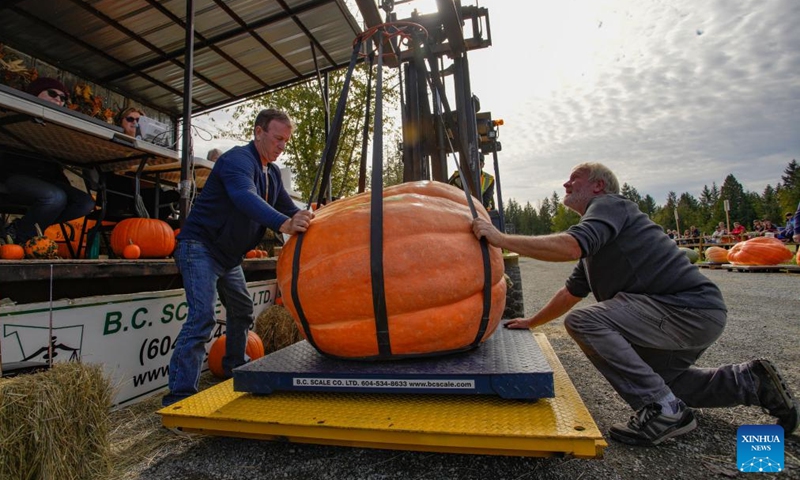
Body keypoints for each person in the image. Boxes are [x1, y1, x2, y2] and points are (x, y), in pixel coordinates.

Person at [472, 162, 798, 446]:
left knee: (586, 322)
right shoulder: (603, 239)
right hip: (695, 314)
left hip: (683, 310)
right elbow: (570, 292)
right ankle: (748, 381)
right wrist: (532, 322)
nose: (566, 184)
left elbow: (571, 246)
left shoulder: (609, 204)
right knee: (672, 384)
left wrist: (498, 238)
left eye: (575, 178)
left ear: (598, 186)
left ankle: (662, 412)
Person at [162, 109, 314, 407]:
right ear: (258, 132)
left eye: (286, 141)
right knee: (201, 318)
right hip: (200, 246)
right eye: (278, 138)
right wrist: (283, 224)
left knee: (242, 309)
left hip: (228, 256)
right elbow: (245, 197)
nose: (282, 146)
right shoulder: (237, 161)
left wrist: (311, 215)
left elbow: (288, 206)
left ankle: (233, 369)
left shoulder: (270, 173)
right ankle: (178, 397)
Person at [0, 77, 95, 243]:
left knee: (85, 203)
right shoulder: (16, 112)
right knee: (55, 197)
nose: (58, 99)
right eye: (52, 93)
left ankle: (20, 229)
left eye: (63, 98)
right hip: (14, 174)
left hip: (48, 179)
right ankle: (21, 240)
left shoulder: (61, 129)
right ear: (36, 93)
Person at [103, 107, 179, 221]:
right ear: (120, 122)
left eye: (139, 120)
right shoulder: (114, 142)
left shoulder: (149, 147)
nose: (134, 122)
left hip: (146, 195)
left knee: (179, 197)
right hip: (122, 197)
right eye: (130, 119)